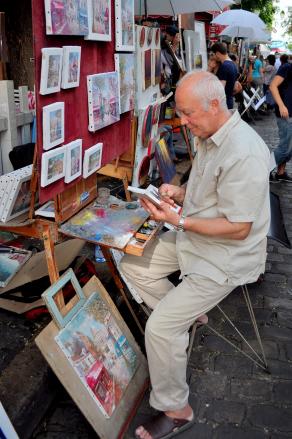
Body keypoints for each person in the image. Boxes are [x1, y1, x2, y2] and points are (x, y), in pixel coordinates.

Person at [120, 71, 270, 439]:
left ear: (214, 105)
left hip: (225, 257)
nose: (183, 121)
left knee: (160, 328)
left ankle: (177, 409)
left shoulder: (244, 151)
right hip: (197, 241)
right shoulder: (211, 133)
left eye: (188, 113)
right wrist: (179, 192)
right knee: (132, 264)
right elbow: (207, 189)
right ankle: (191, 314)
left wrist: (180, 219)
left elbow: (239, 227)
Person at [269, 56, 292, 182]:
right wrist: (282, 105)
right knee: (284, 148)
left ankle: (280, 172)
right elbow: (273, 86)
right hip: (285, 114)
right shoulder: (287, 67)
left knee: (289, 148)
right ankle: (264, 170)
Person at [211, 42, 238, 109]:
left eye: (213, 54)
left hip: (223, 104)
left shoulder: (224, 66)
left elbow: (220, 89)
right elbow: (235, 87)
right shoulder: (233, 65)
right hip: (229, 101)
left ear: (217, 53)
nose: (213, 57)